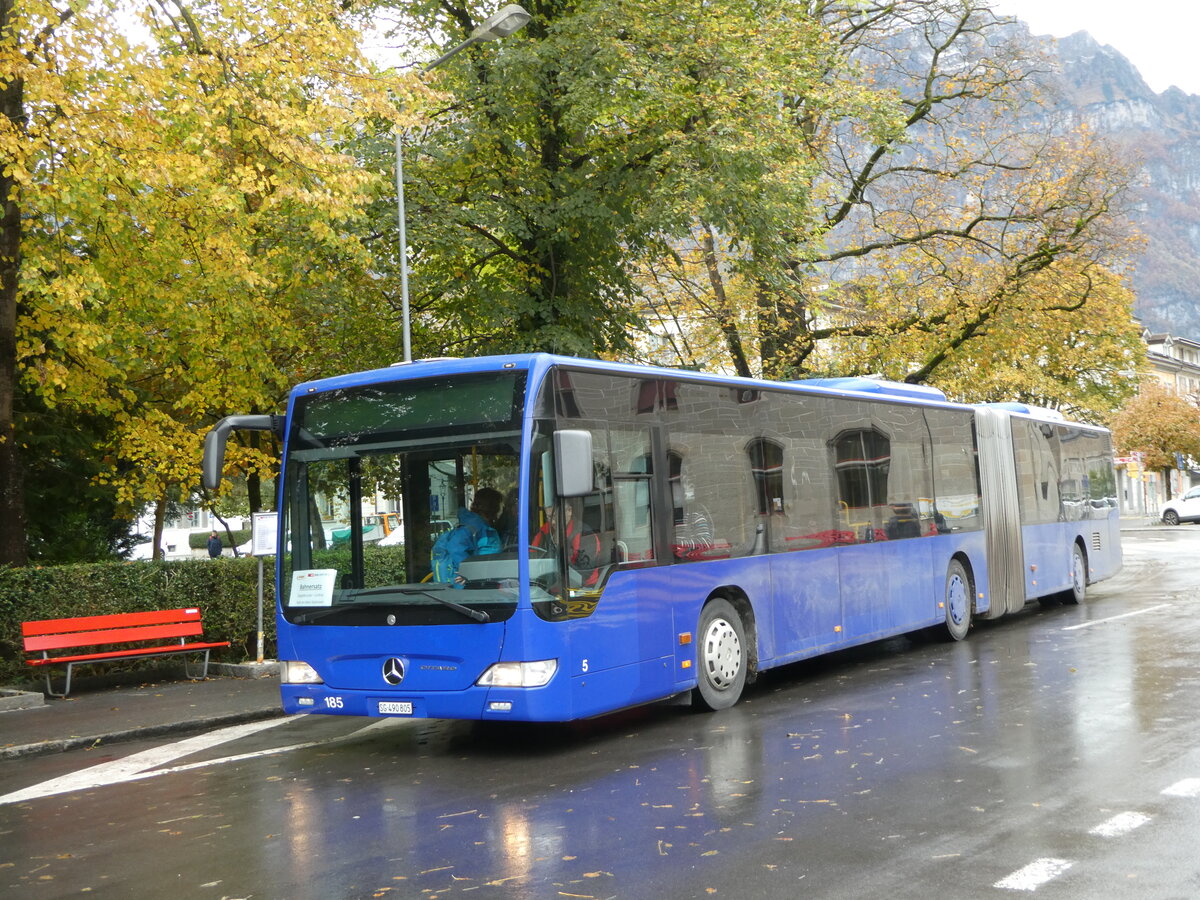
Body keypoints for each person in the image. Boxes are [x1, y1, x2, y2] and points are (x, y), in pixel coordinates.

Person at [431, 487, 504, 585]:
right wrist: (468, 573)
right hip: (467, 590)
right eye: (499, 505)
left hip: (482, 582)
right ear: (493, 507)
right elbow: (455, 547)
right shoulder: (475, 527)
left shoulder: (480, 525)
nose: (501, 509)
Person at [531, 502, 601, 587]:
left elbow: (583, 574)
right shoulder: (544, 532)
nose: (553, 522)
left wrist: (558, 548)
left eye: (555, 516)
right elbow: (532, 559)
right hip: (548, 586)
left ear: (569, 511)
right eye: (549, 517)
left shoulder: (585, 535)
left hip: (582, 588)